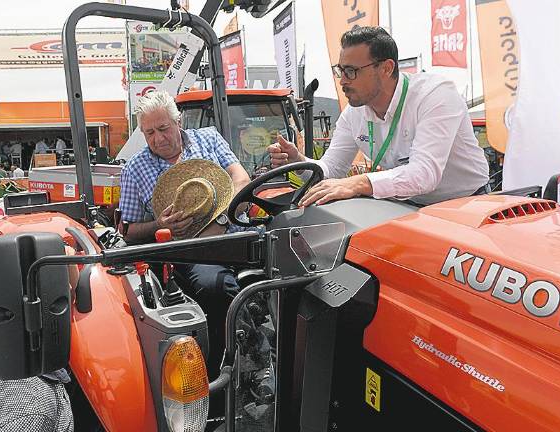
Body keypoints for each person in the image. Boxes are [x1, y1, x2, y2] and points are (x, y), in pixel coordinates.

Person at [268, 26, 489, 206]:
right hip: (409, 206)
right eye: (340, 70)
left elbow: (425, 174)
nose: (342, 81)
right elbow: (331, 171)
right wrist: (298, 161)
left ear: (386, 68)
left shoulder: (436, 95)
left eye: (351, 71)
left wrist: (358, 183)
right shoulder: (352, 114)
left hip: (466, 205)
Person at [119, 90, 251, 379]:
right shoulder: (134, 168)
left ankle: (266, 343)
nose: (157, 138)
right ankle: (226, 369)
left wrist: (220, 218)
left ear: (178, 122)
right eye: (149, 132)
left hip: (234, 235)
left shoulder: (209, 138)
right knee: (213, 286)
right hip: (189, 252)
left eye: (163, 128)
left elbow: (241, 178)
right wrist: (158, 225)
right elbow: (126, 230)